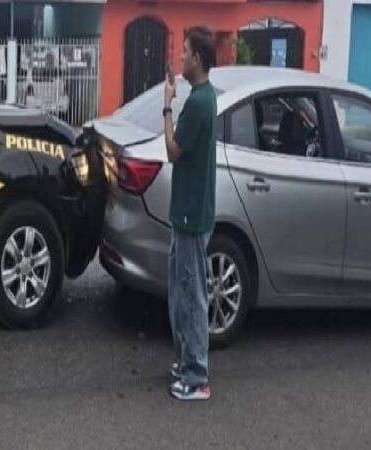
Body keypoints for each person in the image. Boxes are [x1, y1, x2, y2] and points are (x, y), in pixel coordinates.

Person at [162, 25, 218, 401]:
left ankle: (197, 376)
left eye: (184, 51)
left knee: (192, 293)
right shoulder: (203, 96)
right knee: (182, 289)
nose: (181, 57)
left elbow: (173, 150)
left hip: (191, 215)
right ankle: (187, 361)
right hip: (189, 211)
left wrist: (167, 105)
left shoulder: (199, 103)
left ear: (197, 58)